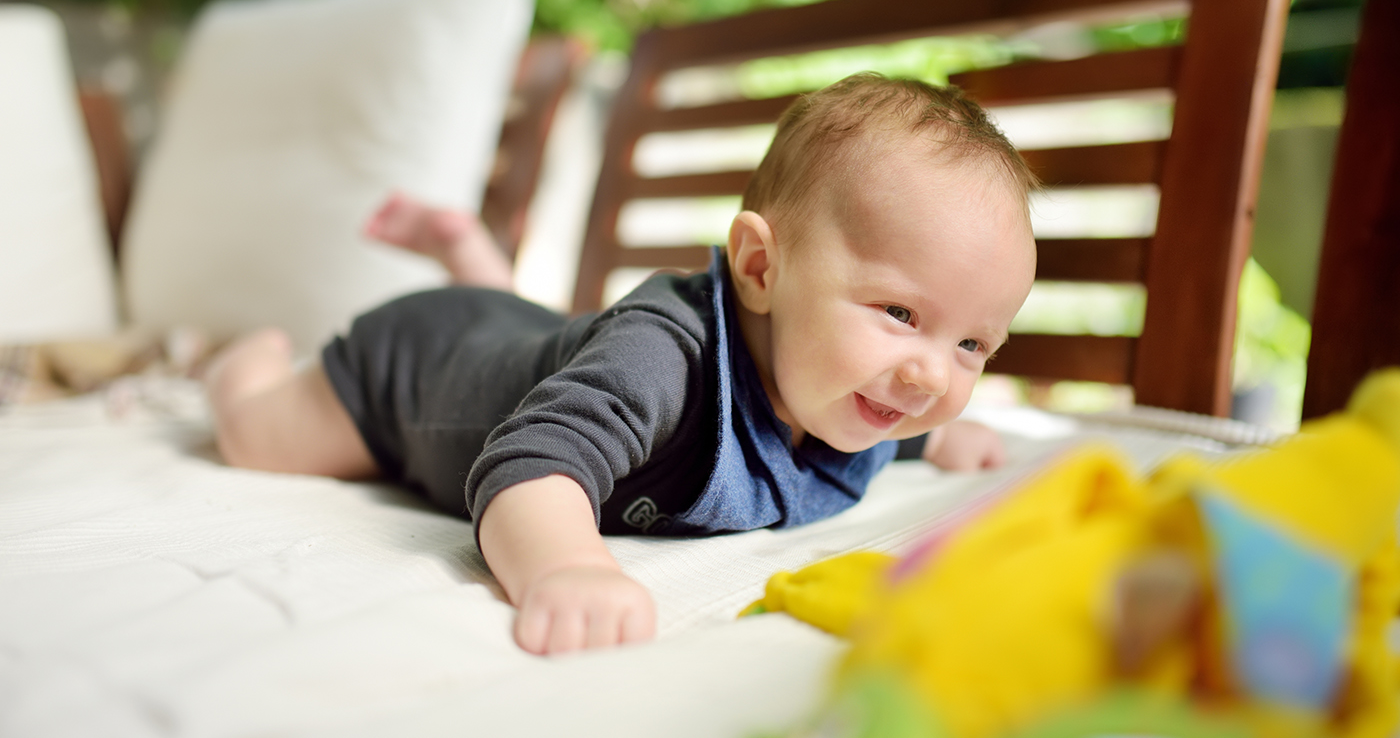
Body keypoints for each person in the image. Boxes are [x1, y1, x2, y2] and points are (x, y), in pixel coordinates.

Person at [204, 72, 1039, 656]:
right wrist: (567, 567)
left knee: (541, 333)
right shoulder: (661, 364)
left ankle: (471, 256)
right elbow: (533, 463)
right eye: (900, 314)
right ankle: (247, 360)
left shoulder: (846, 383)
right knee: (257, 437)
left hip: (523, 336)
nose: (932, 376)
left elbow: (878, 413)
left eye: (971, 345)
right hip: (413, 371)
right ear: (759, 270)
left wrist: (930, 441)